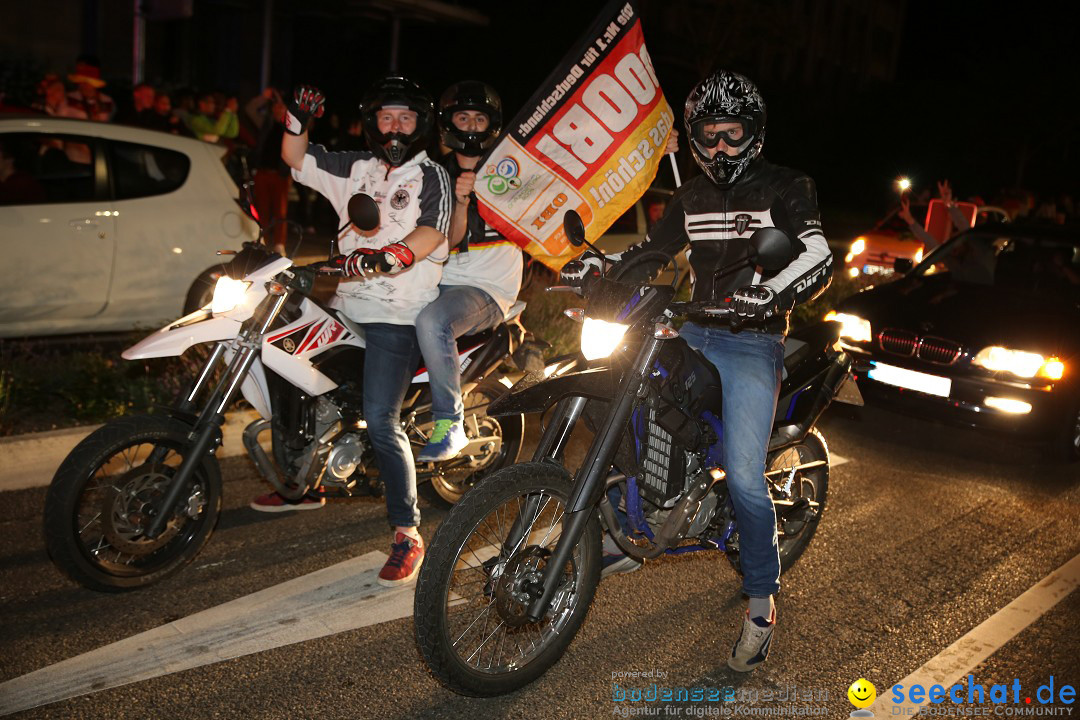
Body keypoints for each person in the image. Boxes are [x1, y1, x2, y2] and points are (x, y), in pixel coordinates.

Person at [562, 70, 832, 672]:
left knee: (742, 478)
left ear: (753, 135)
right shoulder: (690, 198)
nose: (720, 149)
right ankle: (638, 517)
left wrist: (774, 295)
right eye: (709, 135)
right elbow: (651, 253)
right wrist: (599, 269)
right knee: (627, 398)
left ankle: (761, 604)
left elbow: (818, 252)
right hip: (691, 327)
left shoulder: (788, 186)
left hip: (750, 340)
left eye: (732, 135)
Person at [251, 77, 451, 589]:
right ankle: (299, 480)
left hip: (399, 313)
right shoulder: (354, 168)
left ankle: (407, 532)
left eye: (406, 117)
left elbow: (432, 231)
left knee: (382, 420)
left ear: (421, 124)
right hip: (345, 301)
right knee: (282, 365)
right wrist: (297, 116)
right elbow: (295, 158)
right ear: (373, 122)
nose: (396, 126)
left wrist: (394, 254)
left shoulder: (431, 175)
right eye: (387, 117)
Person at [413, 81, 522, 461]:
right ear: (449, 122)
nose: (472, 126)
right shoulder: (432, 174)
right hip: (436, 280)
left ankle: (450, 423)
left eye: (480, 118)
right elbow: (447, 241)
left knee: (431, 323)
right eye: (463, 117)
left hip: (486, 288)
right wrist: (459, 201)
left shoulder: (516, 170)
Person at [245, 88, 292, 254]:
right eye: (276, 106)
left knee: (280, 211)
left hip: (280, 174)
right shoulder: (265, 123)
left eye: (282, 107)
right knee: (261, 209)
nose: (278, 110)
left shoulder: (292, 128)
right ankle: (262, 239)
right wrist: (263, 98)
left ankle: (280, 244)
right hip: (263, 172)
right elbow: (250, 110)